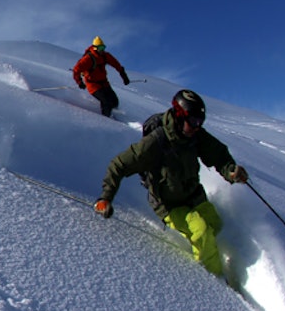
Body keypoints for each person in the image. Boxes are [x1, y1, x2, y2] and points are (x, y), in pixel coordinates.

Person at [94, 89, 249, 276]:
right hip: (170, 204)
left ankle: (212, 254)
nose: (197, 126)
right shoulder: (156, 142)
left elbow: (218, 154)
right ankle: (214, 279)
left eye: (200, 122)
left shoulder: (195, 136)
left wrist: (231, 172)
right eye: (193, 121)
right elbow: (118, 165)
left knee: (215, 224)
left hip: (194, 195)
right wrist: (106, 197)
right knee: (201, 231)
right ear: (179, 115)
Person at [72, 36, 130, 118]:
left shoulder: (105, 56)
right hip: (93, 85)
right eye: (100, 48)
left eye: (103, 47)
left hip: (104, 82)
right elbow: (76, 70)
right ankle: (106, 119)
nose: (102, 50)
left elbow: (116, 64)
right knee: (106, 101)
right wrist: (80, 82)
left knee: (114, 102)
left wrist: (124, 75)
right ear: (95, 48)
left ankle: (116, 116)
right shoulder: (88, 59)